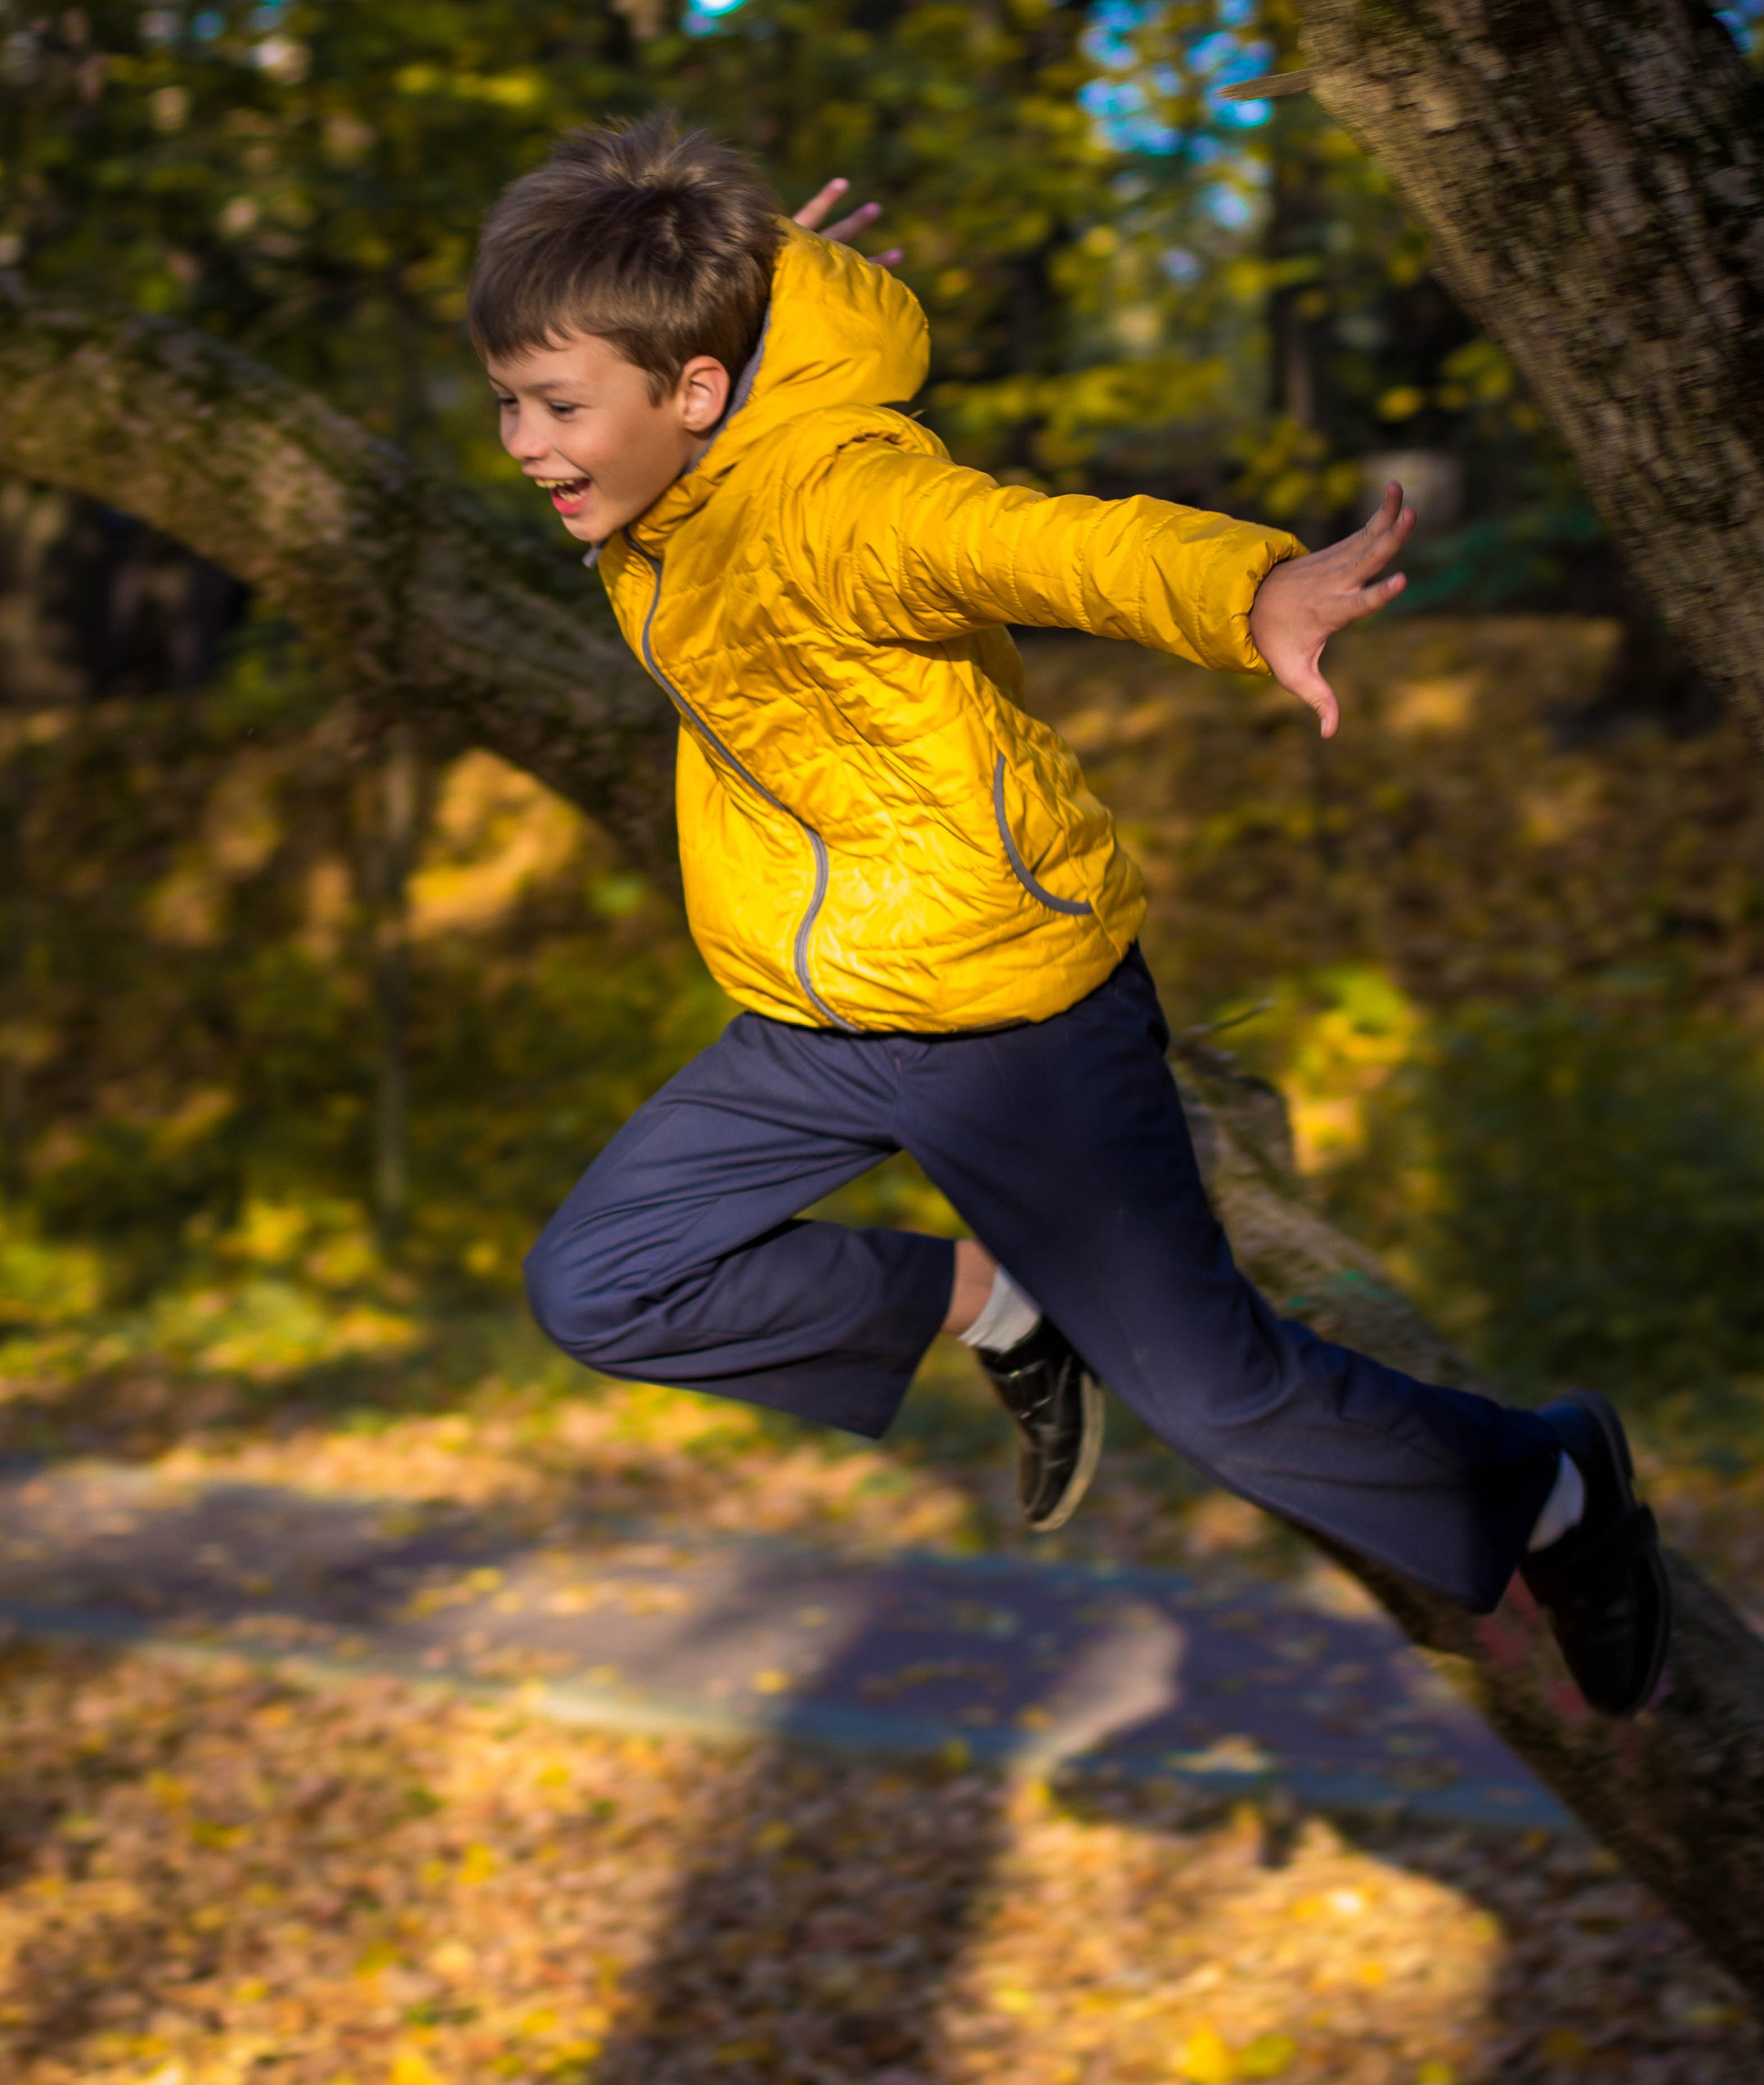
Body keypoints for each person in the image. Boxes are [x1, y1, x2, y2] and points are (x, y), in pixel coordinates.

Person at [472, 112, 1670, 1721]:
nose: (528, 444)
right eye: (507, 403)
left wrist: (1243, 592)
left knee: (1218, 1398)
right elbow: (718, 373)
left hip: (1013, 1026)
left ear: (696, 392)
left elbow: (1035, 541)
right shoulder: (670, 493)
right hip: (821, 1023)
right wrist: (771, 287)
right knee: (603, 1282)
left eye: (558, 407)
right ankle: (996, 1303)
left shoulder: (835, 501)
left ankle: (1551, 1489)